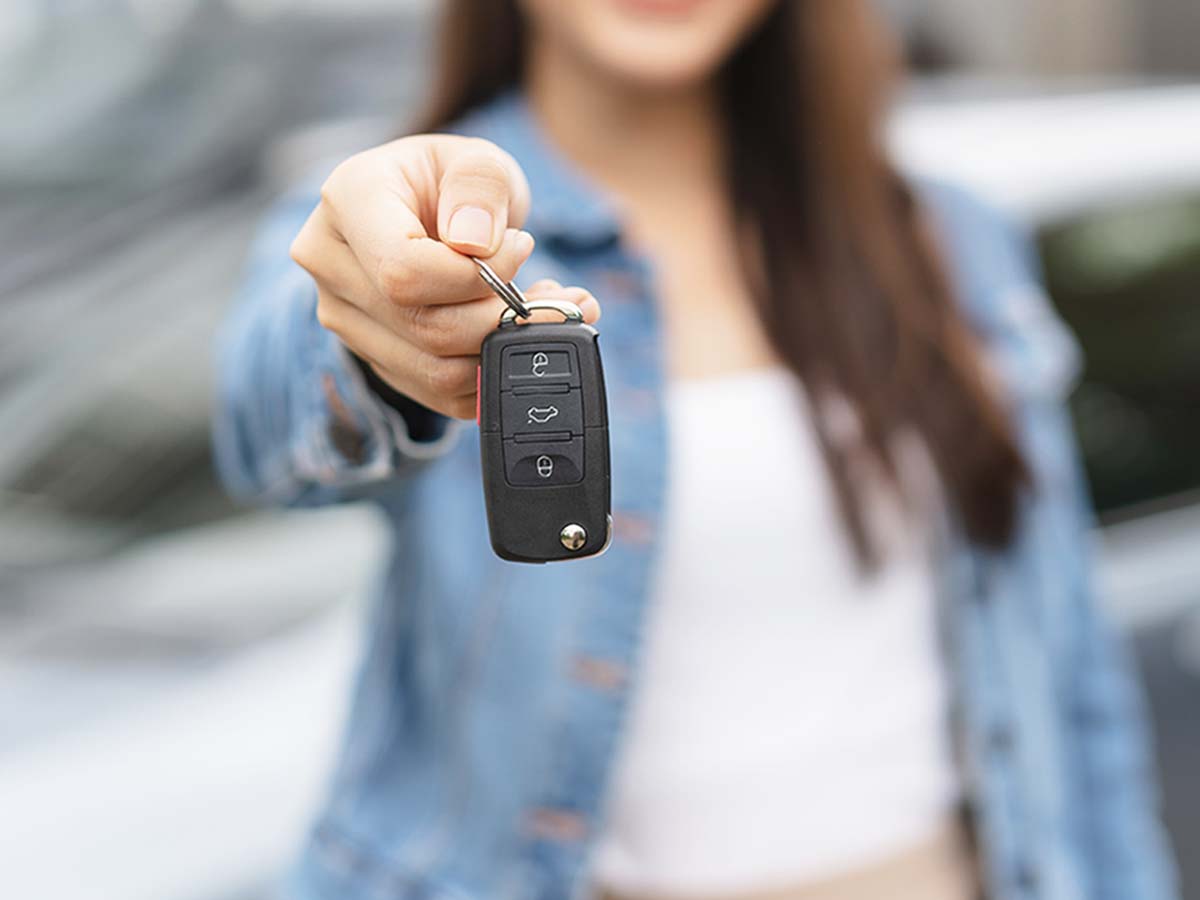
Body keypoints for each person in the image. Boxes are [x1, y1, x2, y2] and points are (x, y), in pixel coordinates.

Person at [213, 1, 1178, 898]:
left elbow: (1073, 673)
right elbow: (267, 427)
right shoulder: (408, 221)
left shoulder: (947, 234)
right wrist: (380, 340)